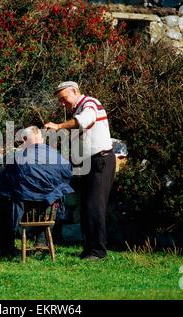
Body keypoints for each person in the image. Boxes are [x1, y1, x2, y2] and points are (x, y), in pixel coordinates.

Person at [44, 81, 115, 260]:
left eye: (64, 98)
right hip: (88, 163)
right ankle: (90, 248)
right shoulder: (78, 109)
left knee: (94, 206)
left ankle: (98, 251)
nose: (62, 103)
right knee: (86, 207)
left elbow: (85, 121)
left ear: (75, 92)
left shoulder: (90, 103)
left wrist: (59, 126)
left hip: (101, 161)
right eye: (60, 100)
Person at [0, 126, 74, 257]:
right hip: (47, 211)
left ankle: (6, 250)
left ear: (25, 139)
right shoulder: (57, 157)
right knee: (54, 198)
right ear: (42, 140)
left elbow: (4, 185)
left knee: (3, 206)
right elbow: (67, 176)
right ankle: (41, 243)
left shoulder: (17, 158)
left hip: (23, 211)